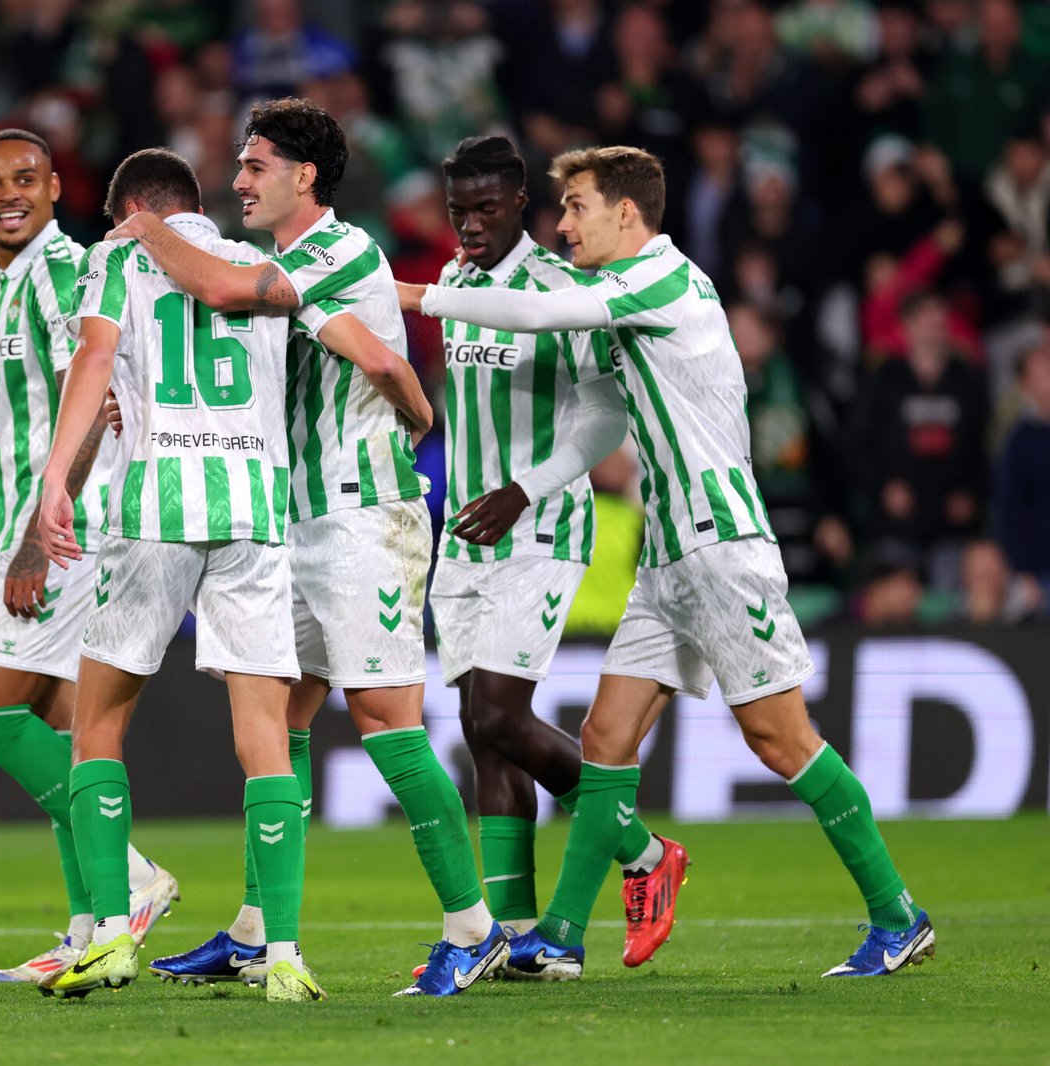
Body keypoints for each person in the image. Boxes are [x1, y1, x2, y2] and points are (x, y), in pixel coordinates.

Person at [399, 145, 933, 979]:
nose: (563, 224)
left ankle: (899, 916)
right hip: (667, 551)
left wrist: (413, 295)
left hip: (721, 544)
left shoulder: (661, 278)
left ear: (626, 213)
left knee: (780, 738)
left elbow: (545, 316)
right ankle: (565, 935)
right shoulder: (630, 287)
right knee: (605, 738)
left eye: (576, 207)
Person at [106, 100, 504, 997]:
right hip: (294, 524)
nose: (239, 181)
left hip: (363, 518)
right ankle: (253, 930)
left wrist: (142, 227)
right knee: (276, 725)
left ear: (303, 177)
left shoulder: (341, 250)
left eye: (253, 167)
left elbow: (376, 359)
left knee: (386, 724)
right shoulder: (285, 258)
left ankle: (473, 927)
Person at [36, 147, 322, 1003]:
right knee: (264, 735)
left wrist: (57, 478)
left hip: (156, 502)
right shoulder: (258, 260)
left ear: (130, 209)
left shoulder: (119, 254)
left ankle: (116, 938)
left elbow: (93, 360)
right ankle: (281, 955)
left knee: (97, 726)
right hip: (255, 508)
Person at [425, 135, 685, 972]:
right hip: (465, 534)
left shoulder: (560, 288)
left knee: (500, 714)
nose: (468, 226)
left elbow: (605, 416)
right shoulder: (459, 282)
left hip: (539, 526)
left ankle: (644, 853)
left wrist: (525, 488)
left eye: (485, 210)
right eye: (457, 210)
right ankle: (518, 935)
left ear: (519, 205)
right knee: (481, 729)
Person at [0, 130, 177, 988]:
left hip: (70, 532)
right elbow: (7, 435)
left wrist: (38, 536)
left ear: (52, 188)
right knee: (67, 737)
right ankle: (90, 929)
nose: (8, 193)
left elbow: (99, 397)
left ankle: (133, 881)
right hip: (22, 532)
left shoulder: (64, 274)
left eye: (25, 180)